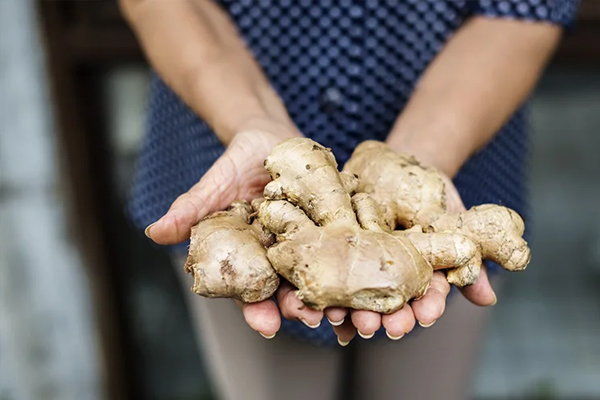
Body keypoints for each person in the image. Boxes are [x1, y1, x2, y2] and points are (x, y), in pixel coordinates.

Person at [119, 1, 579, 399]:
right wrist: (250, 118)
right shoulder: (268, 221)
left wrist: (419, 159)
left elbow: (523, 9)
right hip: (229, 151)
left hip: (458, 146)